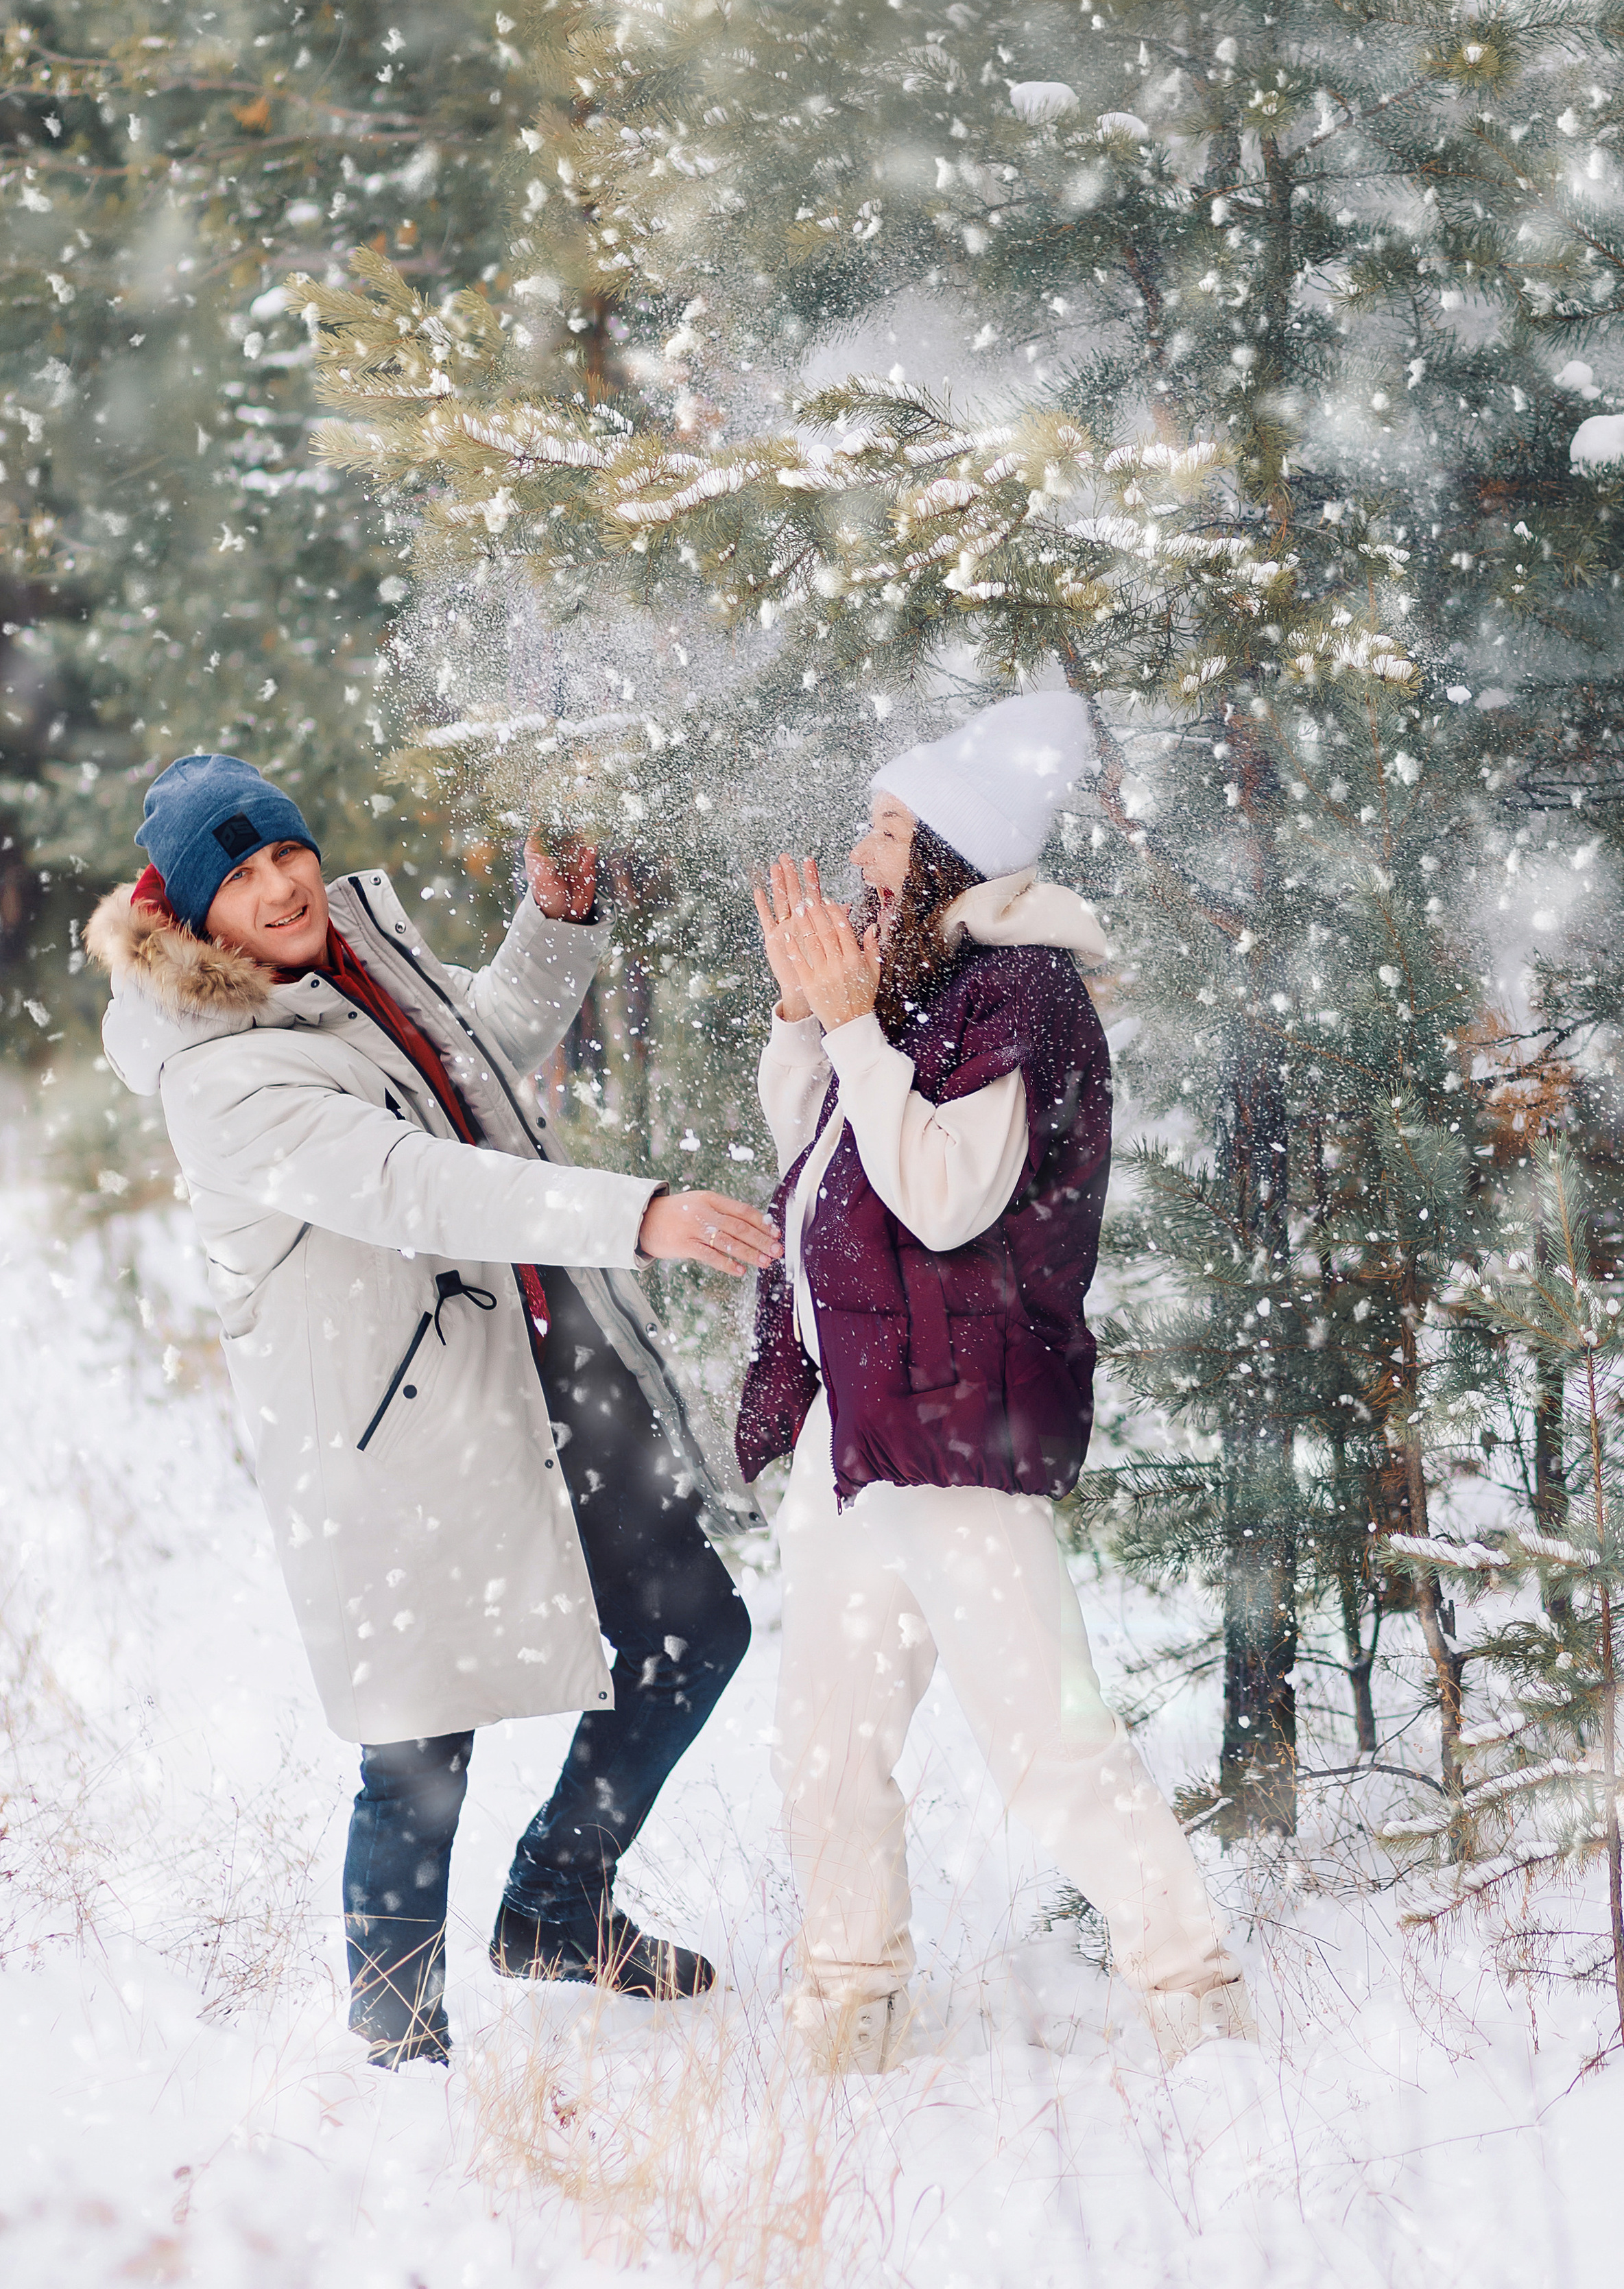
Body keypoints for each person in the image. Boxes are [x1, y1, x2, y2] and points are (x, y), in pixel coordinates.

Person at [87, 753, 779, 2069]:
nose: (284, 884)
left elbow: (483, 1047)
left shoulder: (348, 966)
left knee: (693, 1627)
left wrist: (553, 924)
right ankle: (397, 2043)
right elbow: (415, 1180)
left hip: (535, 1359)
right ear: (187, 918)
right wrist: (637, 1214)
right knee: (418, 1734)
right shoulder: (217, 1077)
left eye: (285, 852)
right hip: (396, 1423)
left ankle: (557, 1908)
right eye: (240, 877)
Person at [739, 693, 1256, 2076]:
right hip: (862, 1425)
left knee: (1046, 1746)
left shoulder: (1017, 995)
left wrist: (850, 1027)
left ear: (956, 854)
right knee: (826, 1740)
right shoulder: (923, 985)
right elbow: (827, 1172)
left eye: (889, 827)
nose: (860, 849)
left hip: (950, 1426)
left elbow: (946, 1202)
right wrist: (810, 1023)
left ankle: (1193, 1999)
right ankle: (849, 1999)